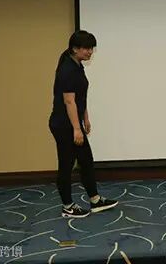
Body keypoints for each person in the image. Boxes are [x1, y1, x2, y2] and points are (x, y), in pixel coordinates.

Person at [49, 30, 118, 218]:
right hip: (63, 125)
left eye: (91, 48)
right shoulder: (67, 69)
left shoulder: (77, 65)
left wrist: (85, 118)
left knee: (86, 160)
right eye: (87, 48)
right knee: (66, 164)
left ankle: (95, 200)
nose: (90, 52)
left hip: (73, 122)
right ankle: (67, 206)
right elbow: (69, 101)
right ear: (75, 49)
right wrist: (76, 129)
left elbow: (80, 97)